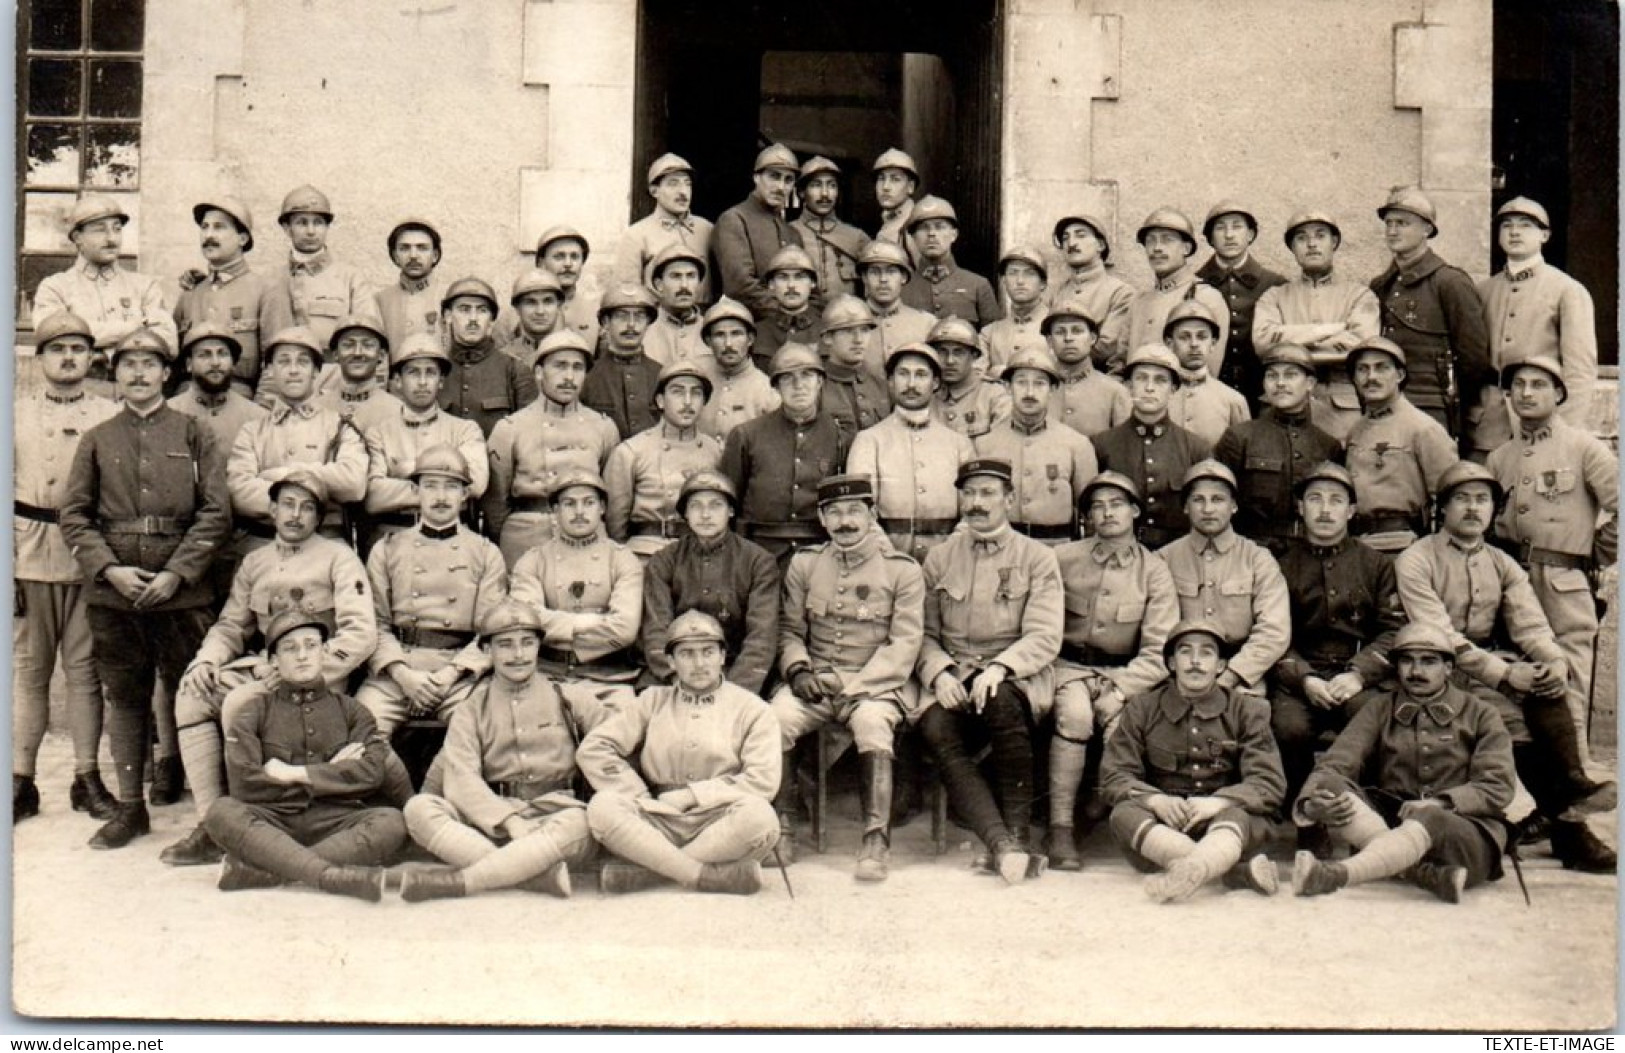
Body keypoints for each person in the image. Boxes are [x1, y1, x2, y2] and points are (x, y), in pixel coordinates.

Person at [1395, 460, 1616, 871]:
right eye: (1461, 499)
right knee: (1507, 718)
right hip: (1431, 665)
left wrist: (1551, 660)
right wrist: (1504, 674)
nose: (1473, 509)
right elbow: (1439, 634)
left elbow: (1529, 622)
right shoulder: (1416, 559)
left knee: (1550, 686)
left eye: (1482, 500)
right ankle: (1566, 825)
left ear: (1494, 510)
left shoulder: (1502, 563)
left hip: (1488, 662)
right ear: (1442, 508)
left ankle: (1569, 799)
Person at [58, 327, 232, 849]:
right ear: (115, 374)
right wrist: (110, 571)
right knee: (126, 696)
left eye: (149, 363)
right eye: (127, 364)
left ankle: (210, 814)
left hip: (182, 593)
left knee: (194, 696)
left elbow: (215, 513)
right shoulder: (97, 438)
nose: (138, 373)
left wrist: (177, 573)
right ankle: (130, 807)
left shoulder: (194, 433)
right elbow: (75, 517)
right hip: (116, 593)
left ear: (166, 373)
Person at [164, 470, 375, 868]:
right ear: (272, 509)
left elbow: (361, 634)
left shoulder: (339, 558)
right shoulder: (255, 561)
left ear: (318, 517)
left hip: (317, 679)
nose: (296, 515)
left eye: (307, 507)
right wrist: (207, 658)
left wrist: (304, 671)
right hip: (266, 667)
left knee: (241, 703)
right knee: (192, 694)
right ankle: (211, 824)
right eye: (288, 504)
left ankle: (251, 824)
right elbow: (231, 625)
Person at [399, 600, 611, 902]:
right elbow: (461, 779)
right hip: (489, 824)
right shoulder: (471, 709)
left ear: (539, 646)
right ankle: (534, 876)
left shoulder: (571, 698)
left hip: (553, 820)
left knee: (581, 824)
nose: (518, 655)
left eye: (527, 643)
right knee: (418, 809)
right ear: (487, 651)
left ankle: (465, 880)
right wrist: (509, 822)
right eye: (505, 645)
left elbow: (613, 750)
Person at [915, 459, 1064, 883]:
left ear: (1009, 499)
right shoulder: (939, 559)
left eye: (988, 494)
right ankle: (1003, 844)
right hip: (954, 672)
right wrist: (940, 672)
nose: (977, 503)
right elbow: (920, 633)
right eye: (970, 493)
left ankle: (1016, 832)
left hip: (1015, 673)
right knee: (935, 728)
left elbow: (1044, 634)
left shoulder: (1037, 558)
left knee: (1001, 706)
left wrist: (1000, 667)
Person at [769, 474, 924, 880]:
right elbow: (790, 631)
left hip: (875, 684)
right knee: (777, 718)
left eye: (855, 510)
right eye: (834, 512)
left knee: (873, 725)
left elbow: (904, 645)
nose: (845, 521)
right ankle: (782, 826)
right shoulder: (805, 564)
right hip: (816, 678)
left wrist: (855, 688)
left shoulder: (901, 571)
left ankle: (875, 840)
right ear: (821, 518)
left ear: (872, 514)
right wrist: (799, 669)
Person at [1290, 623, 1515, 904]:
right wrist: (1312, 804)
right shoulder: (1379, 707)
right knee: (1331, 785)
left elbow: (1497, 786)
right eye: (1407, 661)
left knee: (1430, 818)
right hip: (1392, 821)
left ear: (1449, 668)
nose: (1416, 672)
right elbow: (1336, 762)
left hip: (1461, 831)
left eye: (1429, 661)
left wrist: (1440, 804)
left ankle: (1337, 874)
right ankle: (1418, 872)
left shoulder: (1481, 713)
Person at [202, 606, 406, 901]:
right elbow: (244, 783)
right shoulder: (252, 713)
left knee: (391, 821)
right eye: (289, 648)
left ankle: (269, 869)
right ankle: (328, 875)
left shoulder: (353, 711)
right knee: (221, 812)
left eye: (311, 645)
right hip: (272, 820)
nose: (302, 655)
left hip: (335, 821)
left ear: (324, 652)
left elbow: (372, 773)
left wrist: (297, 774)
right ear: (273, 660)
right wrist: (332, 774)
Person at [578, 611, 782, 895]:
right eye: (686, 654)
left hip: (718, 819)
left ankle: (650, 872)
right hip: (657, 816)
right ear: (671, 662)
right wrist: (638, 794)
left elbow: (762, 781)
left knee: (761, 817)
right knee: (603, 806)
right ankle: (701, 874)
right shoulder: (652, 700)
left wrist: (692, 796)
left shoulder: (753, 709)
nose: (699, 663)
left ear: (723, 656)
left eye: (708, 652)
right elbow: (595, 748)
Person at [13, 312, 121, 824]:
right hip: (27, 552)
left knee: (84, 671)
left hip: (87, 556)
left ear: (91, 357)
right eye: (58, 349)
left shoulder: (109, 412)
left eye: (79, 349)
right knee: (29, 673)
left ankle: (86, 777)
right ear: (40, 359)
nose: (69, 358)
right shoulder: (15, 412)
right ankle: (20, 779)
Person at [1044, 472, 1179, 870]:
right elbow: (1039, 621)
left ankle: (1115, 819)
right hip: (1066, 668)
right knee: (1076, 717)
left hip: (1124, 674)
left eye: (1116, 504)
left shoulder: (1153, 570)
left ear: (1135, 511)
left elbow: (1159, 650)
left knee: (1120, 727)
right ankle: (1060, 827)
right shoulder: (1063, 559)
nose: (1107, 513)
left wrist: (1120, 691)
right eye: (1097, 507)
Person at [1486, 357, 1618, 758]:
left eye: (1538, 384)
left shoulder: (1583, 448)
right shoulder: (1500, 458)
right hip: (1512, 581)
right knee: (1518, 682)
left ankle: (1576, 786)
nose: (1526, 393)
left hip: (1563, 581)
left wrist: (1597, 552)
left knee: (1569, 681)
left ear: (1559, 393)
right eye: (1518, 385)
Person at [1101, 621, 1286, 902]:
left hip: (1225, 822)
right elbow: (1114, 775)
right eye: (1185, 652)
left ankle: (1190, 870)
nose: (1196, 661)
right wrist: (1155, 801)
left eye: (1207, 653)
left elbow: (1268, 783)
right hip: (1165, 824)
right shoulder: (1142, 708)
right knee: (1124, 813)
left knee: (1238, 815)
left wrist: (1219, 802)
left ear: (1222, 665)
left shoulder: (1248, 710)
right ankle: (1230, 871)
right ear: (1172, 663)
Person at [1270, 462, 1403, 836]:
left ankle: (1363, 810)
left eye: (1335, 500)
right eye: (1315, 499)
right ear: (1300, 508)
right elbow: (1272, 632)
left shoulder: (1375, 563)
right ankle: (1306, 819)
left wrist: (1360, 674)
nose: (1325, 509)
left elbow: (1394, 629)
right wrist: (1304, 678)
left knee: (1370, 721)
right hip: (1298, 676)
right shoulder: (1279, 564)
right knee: (1288, 728)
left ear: (1350, 510)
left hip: (1355, 675)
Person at [355, 446, 507, 738]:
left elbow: (490, 633)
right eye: (431, 486)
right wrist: (403, 675)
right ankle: (394, 785)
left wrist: (449, 675)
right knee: (364, 731)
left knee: (479, 732)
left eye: (451, 487)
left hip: (459, 675)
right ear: (416, 490)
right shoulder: (387, 549)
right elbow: (375, 624)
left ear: (464, 495)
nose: (440, 497)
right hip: (397, 671)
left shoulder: (485, 553)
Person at [1473, 196, 1599, 452]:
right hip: (1488, 428)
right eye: (1507, 225)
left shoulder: (1567, 290)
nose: (1515, 232)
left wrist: (1564, 429)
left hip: (1543, 422)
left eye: (1526, 225)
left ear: (1545, 235)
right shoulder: (1482, 290)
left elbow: (1580, 370)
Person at [482, 331, 619, 567]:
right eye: (560, 366)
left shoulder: (603, 428)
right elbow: (496, 504)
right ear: (538, 373)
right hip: (526, 538)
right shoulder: (510, 429)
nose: (569, 376)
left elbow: (613, 498)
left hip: (587, 538)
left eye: (577, 368)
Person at [1157, 460, 1291, 700]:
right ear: (1186, 507)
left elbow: (1274, 631)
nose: (1208, 509)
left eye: (1218, 499)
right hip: (1180, 671)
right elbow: (1155, 630)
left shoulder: (1257, 559)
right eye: (1198, 500)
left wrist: (1232, 675)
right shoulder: (1164, 559)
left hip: (1243, 672)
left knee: (1249, 715)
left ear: (1234, 506)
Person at [226, 326, 368, 551]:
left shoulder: (339, 427)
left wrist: (284, 475)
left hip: (325, 546)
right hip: (263, 545)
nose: (293, 370)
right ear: (270, 370)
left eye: (302, 362)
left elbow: (354, 483)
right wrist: (317, 486)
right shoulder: (252, 431)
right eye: (284, 361)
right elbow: (239, 492)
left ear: (315, 372)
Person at [1369, 186, 1490, 443]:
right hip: (1385, 404)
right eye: (1389, 223)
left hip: (1433, 407)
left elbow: (1474, 359)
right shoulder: (1382, 285)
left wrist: (1456, 407)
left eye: (1402, 223)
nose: (1392, 231)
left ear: (1427, 229)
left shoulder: (1450, 282)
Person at [640, 471, 779, 695]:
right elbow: (656, 630)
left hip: (734, 672)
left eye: (716, 505)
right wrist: (677, 678)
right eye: (696, 506)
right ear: (685, 513)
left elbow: (761, 638)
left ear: (731, 511)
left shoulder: (758, 562)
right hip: (675, 673)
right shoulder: (664, 560)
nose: (705, 514)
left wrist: (732, 691)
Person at [508, 470, 644, 697]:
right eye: (569, 504)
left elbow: (625, 629)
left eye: (588, 503)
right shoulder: (532, 560)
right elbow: (526, 622)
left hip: (609, 678)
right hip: (544, 676)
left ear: (601, 508)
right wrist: (590, 622)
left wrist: (553, 625)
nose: (579, 512)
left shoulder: (622, 559)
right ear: (555, 510)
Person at [1252, 210, 1380, 439]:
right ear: (1292, 248)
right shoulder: (1274, 296)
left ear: (1334, 243)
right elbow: (1263, 345)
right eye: (1301, 238)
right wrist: (1332, 330)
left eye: (1320, 235)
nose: (1311, 244)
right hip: (1281, 403)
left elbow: (1361, 348)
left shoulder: (1360, 295)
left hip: (1339, 407)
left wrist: (1288, 340)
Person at [720, 344, 851, 567]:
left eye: (807, 375)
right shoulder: (746, 435)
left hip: (820, 553)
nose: (798, 385)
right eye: (787, 378)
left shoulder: (840, 436)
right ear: (776, 387)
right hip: (758, 553)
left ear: (820, 382)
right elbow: (728, 503)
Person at [846, 343, 975, 562]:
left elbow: (973, 509)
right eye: (903, 374)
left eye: (921, 375)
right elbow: (859, 509)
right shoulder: (869, 440)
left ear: (935, 383)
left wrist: (947, 556)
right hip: (884, 563)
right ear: (890, 381)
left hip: (949, 562)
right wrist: (892, 560)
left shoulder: (959, 444)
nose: (912, 384)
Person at [360, 333, 489, 546]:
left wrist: (409, 469)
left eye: (430, 373)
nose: (422, 382)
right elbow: (373, 497)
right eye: (413, 372)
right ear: (398, 380)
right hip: (394, 537)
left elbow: (475, 484)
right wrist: (446, 484)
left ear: (440, 381)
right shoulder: (379, 433)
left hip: (453, 540)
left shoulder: (465, 430)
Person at [1213, 343, 1343, 554]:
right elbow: (1219, 497)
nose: (1280, 383)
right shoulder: (1239, 437)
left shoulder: (1327, 445)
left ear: (1310, 383)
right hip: (1252, 550)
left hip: (1310, 551)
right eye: (1272, 376)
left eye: (1290, 375)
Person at [32, 195, 176, 373]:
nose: (111, 239)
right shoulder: (55, 287)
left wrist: (102, 352)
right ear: (78, 238)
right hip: (82, 390)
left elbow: (168, 342)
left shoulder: (145, 286)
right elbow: (54, 339)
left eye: (117, 229)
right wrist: (137, 327)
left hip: (135, 393)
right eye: (100, 230)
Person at [1342, 336, 1456, 554]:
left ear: (1400, 375)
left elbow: (1448, 499)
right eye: (1362, 369)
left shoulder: (1423, 428)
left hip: (1404, 545)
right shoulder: (1355, 431)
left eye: (1381, 368)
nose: (1371, 377)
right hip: (1357, 546)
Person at [975, 346, 1097, 543]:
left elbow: (1090, 515)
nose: (1030, 392)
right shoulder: (984, 445)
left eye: (1040, 384)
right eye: (1021, 382)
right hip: (1002, 550)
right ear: (1007, 387)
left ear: (1053, 389)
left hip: (1057, 552)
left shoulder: (1076, 445)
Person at [1092, 345, 1211, 548]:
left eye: (1160, 380)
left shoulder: (1196, 448)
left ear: (1173, 389)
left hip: (1177, 556)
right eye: (1141, 378)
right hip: (1118, 553)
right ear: (1129, 386)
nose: (1149, 387)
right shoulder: (1101, 445)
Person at [604, 361, 724, 557]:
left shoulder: (715, 451)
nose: (687, 401)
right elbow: (615, 524)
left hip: (701, 554)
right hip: (646, 553)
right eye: (677, 392)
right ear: (660, 401)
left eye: (696, 393)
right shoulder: (631, 452)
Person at [260, 185, 378, 350]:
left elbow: (370, 339)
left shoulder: (350, 278)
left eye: (318, 223)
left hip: (334, 373)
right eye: (302, 223)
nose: (311, 231)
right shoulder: (269, 280)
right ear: (287, 228)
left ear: (327, 227)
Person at [173, 195, 270, 397]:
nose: (209, 235)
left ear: (242, 238)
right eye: (205, 227)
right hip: (188, 404)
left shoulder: (264, 289)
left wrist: (260, 414)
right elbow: (172, 362)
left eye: (219, 227)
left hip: (240, 402)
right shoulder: (190, 293)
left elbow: (275, 364)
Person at [1194, 200, 1286, 408]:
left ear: (1251, 235)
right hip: (1211, 393)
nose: (1229, 235)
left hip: (1262, 393)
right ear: (1209, 238)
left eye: (1237, 226)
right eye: (1220, 228)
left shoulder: (1275, 284)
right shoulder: (1195, 284)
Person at [1123, 208, 1230, 375]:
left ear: (1186, 248)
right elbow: (1119, 362)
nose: (1157, 248)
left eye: (1167, 240)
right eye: (1151, 241)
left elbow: (1207, 373)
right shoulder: (1139, 301)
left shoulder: (1206, 298)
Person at [712, 143, 804, 317]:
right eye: (774, 176)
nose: (781, 187)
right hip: (751, 327)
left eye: (788, 180)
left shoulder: (792, 233)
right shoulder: (734, 219)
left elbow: (806, 285)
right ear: (756, 177)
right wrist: (790, 312)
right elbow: (740, 288)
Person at [439, 277, 538, 439]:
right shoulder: (435, 370)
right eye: (464, 309)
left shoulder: (514, 370)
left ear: (491, 321)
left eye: (482, 310)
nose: (473, 318)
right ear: (448, 316)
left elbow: (529, 438)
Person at [615, 153, 715, 301]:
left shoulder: (707, 229)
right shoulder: (636, 235)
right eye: (673, 184)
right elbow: (627, 294)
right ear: (654, 191)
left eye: (687, 184)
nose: (683, 191)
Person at [1048, 212, 1133, 368]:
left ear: (1100, 245)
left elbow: (1106, 347)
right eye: (1065, 238)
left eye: (1081, 235)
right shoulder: (1057, 293)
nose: (1071, 243)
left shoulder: (1120, 292)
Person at [900, 196, 1001, 326]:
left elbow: (991, 338)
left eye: (940, 227)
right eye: (924, 228)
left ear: (954, 234)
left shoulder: (978, 286)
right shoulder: (902, 288)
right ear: (913, 237)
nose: (932, 234)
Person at [583, 283, 664, 440]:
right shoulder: (589, 377)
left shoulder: (662, 375)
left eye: (639, 316)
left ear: (648, 323)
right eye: (622, 316)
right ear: (606, 322)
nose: (631, 325)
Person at [1163, 300, 1249, 445]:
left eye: (1202, 337)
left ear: (1213, 343)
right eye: (1184, 337)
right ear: (1169, 343)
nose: (1194, 344)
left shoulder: (1232, 401)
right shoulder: (1156, 396)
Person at [695, 297, 779, 443]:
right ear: (708, 341)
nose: (728, 344)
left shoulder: (766, 391)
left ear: (750, 339)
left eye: (736, 334)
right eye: (719, 335)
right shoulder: (695, 376)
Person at [1043, 299, 1132, 438]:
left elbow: (1122, 450)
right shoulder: (1038, 389)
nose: (1068, 338)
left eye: (1077, 331)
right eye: (1060, 332)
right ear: (1049, 341)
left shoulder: (1115, 393)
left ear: (1092, 338)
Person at [854, 241, 936, 386]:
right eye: (874, 272)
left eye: (891, 272)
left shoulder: (927, 324)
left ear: (903, 277)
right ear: (864, 278)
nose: (883, 280)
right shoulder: (848, 322)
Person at [313, 315, 404, 436]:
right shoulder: (317, 409)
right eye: (348, 345)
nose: (357, 352)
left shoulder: (397, 412)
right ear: (335, 354)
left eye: (367, 345)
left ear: (381, 355)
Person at [792, 155, 868, 300]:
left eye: (832, 185)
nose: (825, 194)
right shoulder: (787, 232)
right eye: (816, 185)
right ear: (801, 192)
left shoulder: (857, 237)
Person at [817, 295, 892, 434]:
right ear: (828, 338)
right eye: (848, 331)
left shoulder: (882, 383)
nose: (858, 340)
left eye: (864, 330)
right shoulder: (816, 387)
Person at [929, 316, 1011, 441]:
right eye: (942, 352)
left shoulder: (994, 396)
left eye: (958, 352)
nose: (950, 361)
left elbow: (1001, 448)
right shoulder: (927, 396)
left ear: (974, 356)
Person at [375, 219, 446, 354]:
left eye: (422, 248)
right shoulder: (380, 301)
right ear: (395, 256)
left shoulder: (448, 297)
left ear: (435, 255)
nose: (413, 256)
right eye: (405, 248)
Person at [641, 245, 713, 372]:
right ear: (659, 285)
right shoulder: (643, 331)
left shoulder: (712, 330)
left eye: (691, 276)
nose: (684, 285)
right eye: (675, 276)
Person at [750, 245, 824, 370]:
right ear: (771, 285)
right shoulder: (757, 333)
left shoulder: (827, 330)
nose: (791, 286)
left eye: (799, 277)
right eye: (783, 277)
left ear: (812, 283)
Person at [980, 245, 1050, 375]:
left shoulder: (1057, 328)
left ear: (1043, 284)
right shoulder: (989, 333)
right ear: (1003, 281)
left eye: (1029, 274)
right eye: (1013, 273)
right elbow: (975, 378)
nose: (1020, 281)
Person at [534, 225, 601, 352]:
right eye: (559, 257)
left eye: (575, 257)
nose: (568, 264)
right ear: (541, 263)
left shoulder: (595, 310)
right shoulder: (520, 312)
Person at [499, 269, 566, 371]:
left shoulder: (574, 353)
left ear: (559, 305)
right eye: (531, 302)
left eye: (548, 301)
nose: (540, 311)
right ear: (517, 308)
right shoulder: (504, 358)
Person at [871, 148, 921, 257]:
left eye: (895, 179)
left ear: (910, 187)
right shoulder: (888, 220)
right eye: (881, 179)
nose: (885, 187)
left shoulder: (916, 226)